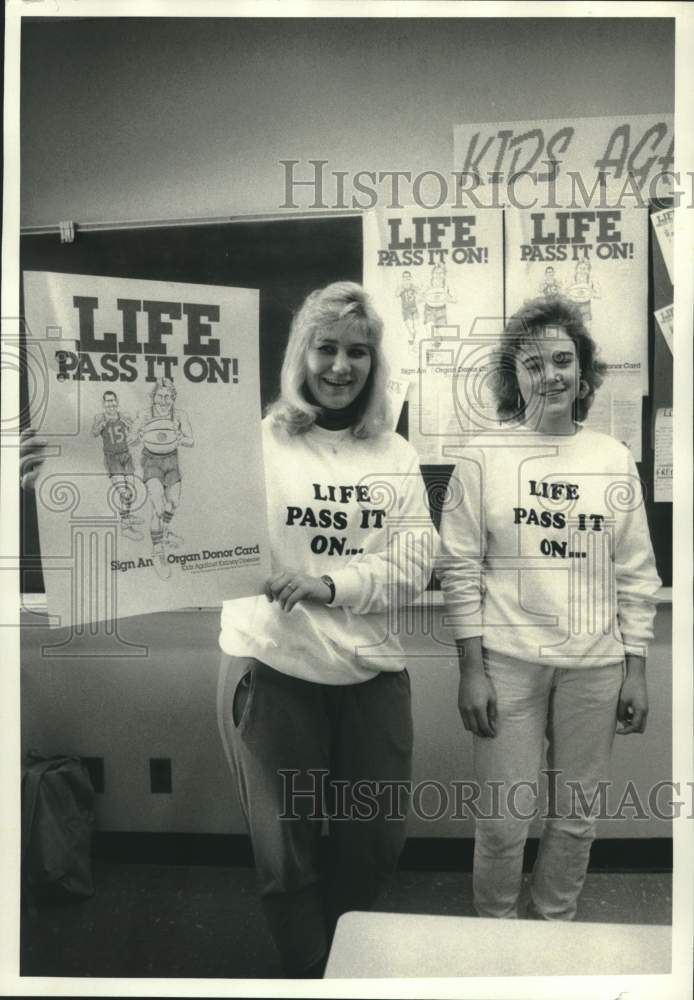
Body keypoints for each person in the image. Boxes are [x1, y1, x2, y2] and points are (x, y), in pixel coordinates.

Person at [217, 281, 436, 976]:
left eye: (358, 352)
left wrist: (331, 584)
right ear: (300, 354)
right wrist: (70, 472)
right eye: (327, 348)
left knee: (371, 842)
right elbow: (174, 518)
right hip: (275, 666)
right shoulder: (255, 444)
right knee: (288, 852)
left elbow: (416, 559)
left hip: (370, 672)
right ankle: (309, 978)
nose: (341, 366)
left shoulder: (394, 454)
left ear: (375, 364)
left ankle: (346, 962)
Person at [438, 296, 660, 921]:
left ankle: (554, 928)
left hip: (596, 668)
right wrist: (470, 669)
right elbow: (459, 570)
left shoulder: (613, 458)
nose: (551, 375)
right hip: (507, 664)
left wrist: (635, 666)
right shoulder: (481, 456)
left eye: (563, 360)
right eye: (533, 365)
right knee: (504, 821)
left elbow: (635, 572)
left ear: (583, 371)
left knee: (576, 817)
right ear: (515, 378)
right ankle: (497, 932)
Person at [131, 377, 194, 579]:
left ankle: (165, 531)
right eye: (160, 396)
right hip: (151, 463)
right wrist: (138, 433)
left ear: (173, 398)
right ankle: (158, 553)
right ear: (153, 397)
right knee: (158, 507)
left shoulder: (179, 415)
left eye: (168, 396)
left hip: (171, 463)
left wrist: (179, 436)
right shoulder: (144, 415)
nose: (164, 400)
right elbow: (130, 440)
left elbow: (191, 441)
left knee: (172, 503)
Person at [91, 389, 142, 542]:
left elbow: (135, 435)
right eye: (107, 401)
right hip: (112, 458)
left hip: (126, 456)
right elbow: (93, 433)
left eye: (113, 400)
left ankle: (127, 514)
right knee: (124, 493)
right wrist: (101, 426)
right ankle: (126, 527)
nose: (111, 403)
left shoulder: (124, 416)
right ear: (103, 403)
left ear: (117, 402)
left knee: (130, 491)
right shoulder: (99, 417)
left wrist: (132, 430)